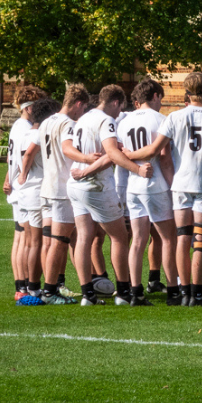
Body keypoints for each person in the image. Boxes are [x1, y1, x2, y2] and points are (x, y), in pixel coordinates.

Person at [125, 72, 202, 306]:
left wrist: (129, 155)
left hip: (181, 185)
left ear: (187, 93)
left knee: (183, 238)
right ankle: (198, 294)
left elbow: (153, 151)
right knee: (201, 240)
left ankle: (184, 293)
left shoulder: (174, 117)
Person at [65, 85, 148, 305]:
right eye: (121, 107)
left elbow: (96, 153)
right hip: (95, 185)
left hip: (75, 185)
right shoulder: (106, 120)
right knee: (119, 237)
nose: (120, 113)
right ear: (115, 102)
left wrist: (85, 168)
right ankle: (122, 293)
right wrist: (137, 169)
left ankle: (87, 295)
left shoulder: (83, 118)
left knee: (84, 236)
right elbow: (111, 154)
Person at [117, 79, 181, 305]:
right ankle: (173, 290)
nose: (161, 103)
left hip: (133, 185)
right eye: (161, 99)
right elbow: (164, 158)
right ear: (155, 96)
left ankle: (136, 292)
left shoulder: (124, 121)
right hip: (155, 185)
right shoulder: (161, 119)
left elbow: (120, 153)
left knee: (138, 241)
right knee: (167, 239)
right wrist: (174, 187)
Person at [35, 84, 91, 305]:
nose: (82, 113)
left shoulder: (47, 121)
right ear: (78, 104)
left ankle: (51, 288)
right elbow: (67, 149)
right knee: (60, 242)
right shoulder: (68, 123)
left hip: (46, 188)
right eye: (83, 108)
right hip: (61, 189)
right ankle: (50, 291)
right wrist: (88, 159)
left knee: (50, 241)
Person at [1, 85, 47, 303]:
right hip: (25, 188)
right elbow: (23, 157)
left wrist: (9, 177)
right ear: (29, 109)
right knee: (26, 240)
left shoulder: (17, 126)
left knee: (20, 238)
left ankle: (21, 285)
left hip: (17, 187)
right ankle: (25, 285)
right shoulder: (25, 129)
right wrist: (16, 177)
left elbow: (12, 158)